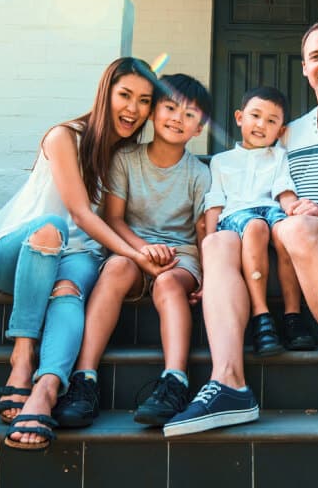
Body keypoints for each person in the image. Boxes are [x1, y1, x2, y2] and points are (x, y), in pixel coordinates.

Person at [164, 20, 318, 438]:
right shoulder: (288, 132)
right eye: (316, 56)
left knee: (297, 230)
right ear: (304, 67)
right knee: (222, 240)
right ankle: (228, 383)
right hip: (283, 258)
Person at [0, 57, 165, 450]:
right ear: (106, 94)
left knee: (68, 287)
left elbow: (116, 222)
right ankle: (22, 356)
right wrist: (136, 257)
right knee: (51, 226)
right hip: (19, 253)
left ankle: (46, 388)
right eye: (125, 96)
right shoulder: (63, 136)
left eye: (145, 101)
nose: (134, 109)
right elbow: (80, 214)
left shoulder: (125, 158)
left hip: (76, 257)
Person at [52, 74, 212, 428]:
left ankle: (174, 381)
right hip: (130, 246)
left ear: (199, 128)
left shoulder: (200, 174)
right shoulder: (125, 159)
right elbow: (113, 218)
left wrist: (208, 277)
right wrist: (142, 250)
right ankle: (84, 380)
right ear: (154, 112)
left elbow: (202, 232)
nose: (176, 118)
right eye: (169, 107)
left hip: (179, 256)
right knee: (115, 270)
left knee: (169, 283)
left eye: (189, 115)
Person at [204, 86, 314, 356]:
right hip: (237, 216)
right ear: (240, 117)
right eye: (255, 116)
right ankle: (260, 315)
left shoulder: (279, 157)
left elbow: (284, 191)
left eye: (271, 120)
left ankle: (292, 316)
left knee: (285, 231)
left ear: (280, 130)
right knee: (255, 227)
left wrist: (294, 213)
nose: (261, 124)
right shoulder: (220, 161)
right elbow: (215, 202)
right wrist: (208, 241)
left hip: (271, 209)